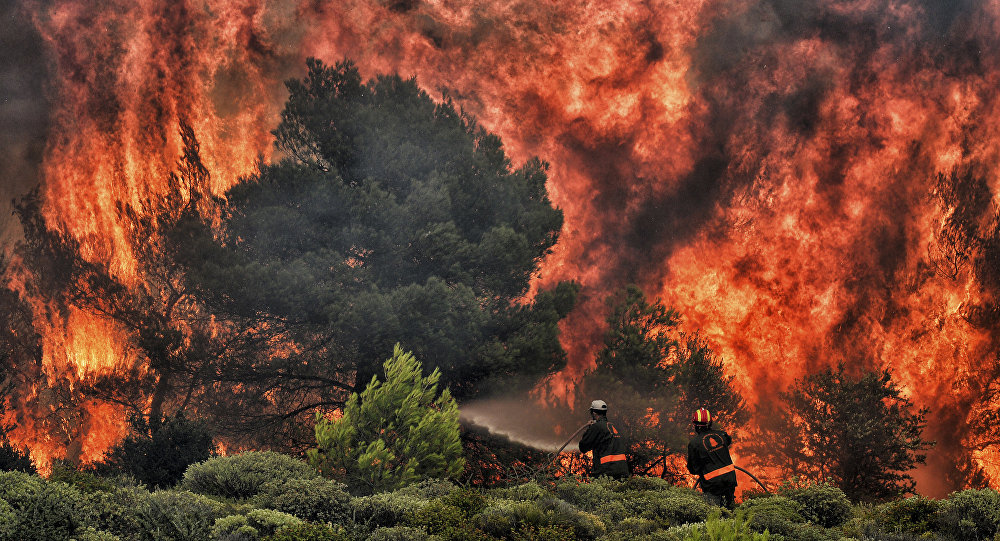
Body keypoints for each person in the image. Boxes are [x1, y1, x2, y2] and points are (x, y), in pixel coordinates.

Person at [686, 407, 737, 509]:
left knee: (714, 515)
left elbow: (693, 469)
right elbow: (729, 440)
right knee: (730, 511)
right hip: (729, 480)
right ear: (710, 423)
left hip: (712, 485)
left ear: (695, 425)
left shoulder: (694, 444)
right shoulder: (722, 435)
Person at [579, 399, 629, 479]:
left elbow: (583, 447)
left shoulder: (597, 427)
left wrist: (590, 429)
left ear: (594, 413)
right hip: (622, 471)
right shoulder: (613, 426)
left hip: (606, 472)